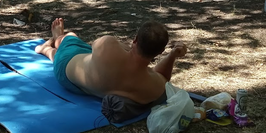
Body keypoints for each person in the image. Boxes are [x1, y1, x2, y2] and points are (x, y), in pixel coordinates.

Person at [35, 17, 187, 105]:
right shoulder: (154, 86)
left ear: (135, 39)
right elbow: (163, 78)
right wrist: (172, 55)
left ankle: (52, 41)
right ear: (160, 52)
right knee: (74, 50)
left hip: (67, 70)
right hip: (84, 85)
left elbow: (98, 47)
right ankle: (52, 47)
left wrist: (126, 47)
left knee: (70, 37)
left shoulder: (108, 45)